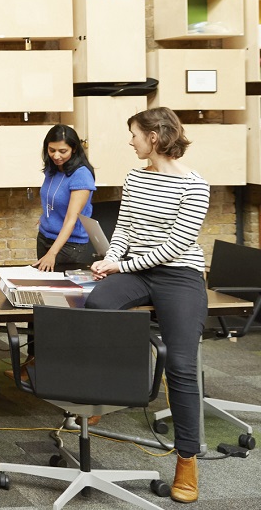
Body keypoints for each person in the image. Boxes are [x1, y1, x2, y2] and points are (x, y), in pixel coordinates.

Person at [86, 107, 209, 504]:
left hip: (179, 274)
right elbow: (125, 227)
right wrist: (112, 259)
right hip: (135, 269)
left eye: (135, 134)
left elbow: (174, 245)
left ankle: (187, 460)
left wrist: (123, 264)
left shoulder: (195, 185)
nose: (131, 141)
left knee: (182, 366)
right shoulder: (136, 176)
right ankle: (107, 392)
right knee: (97, 304)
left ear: (154, 136)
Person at [32, 124, 97, 272]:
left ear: (74, 149)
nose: (56, 156)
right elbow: (52, 196)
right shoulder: (52, 168)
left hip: (69, 246)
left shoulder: (81, 175)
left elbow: (71, 220)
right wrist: (48, 217)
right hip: (45, 237)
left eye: (63, 151)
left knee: (60, 292)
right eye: (51, 150)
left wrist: (52, 253)